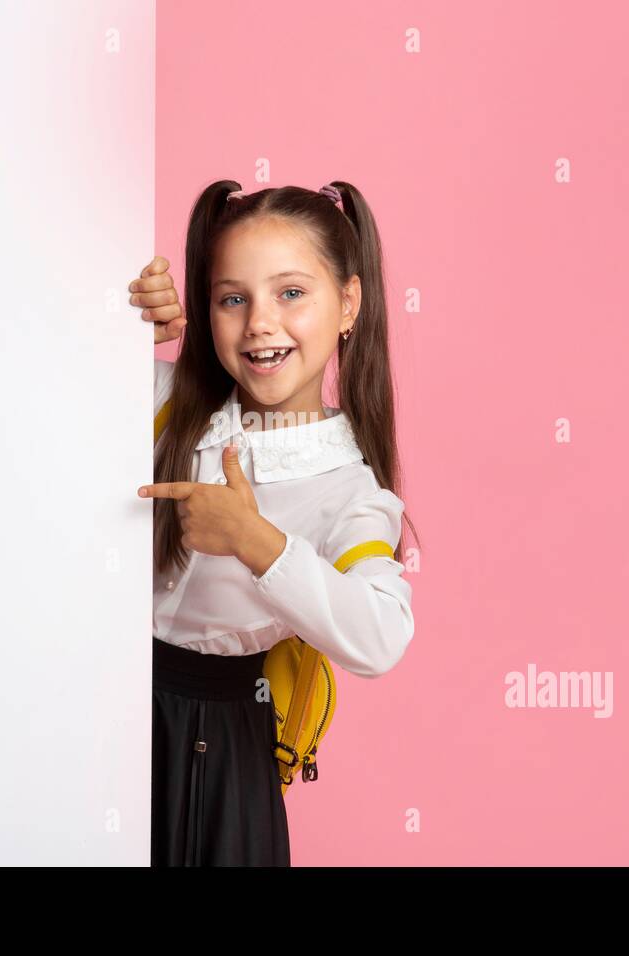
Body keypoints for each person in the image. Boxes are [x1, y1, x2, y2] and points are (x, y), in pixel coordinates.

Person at [131, 181, 417, 866]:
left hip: (218, 747)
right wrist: (126, 315)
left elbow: (381, 637)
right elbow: (30, 370)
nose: (260, 321)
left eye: (291, 293)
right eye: (234, 299)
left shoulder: (350, 493)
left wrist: (255, 541)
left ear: (348, 303)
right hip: (98, 702)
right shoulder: (165, 401)